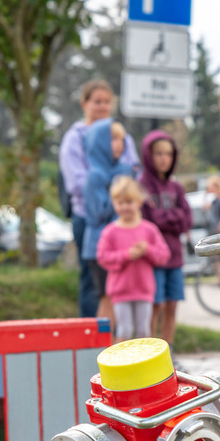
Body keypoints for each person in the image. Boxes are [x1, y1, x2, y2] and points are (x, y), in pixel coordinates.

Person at [59, 80, 138, 318]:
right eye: (97, 101)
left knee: (120, 284)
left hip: (122, 219)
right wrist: (111, 191)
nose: (102, 106)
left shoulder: (120, 133)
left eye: (106, 102)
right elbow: (77, 182)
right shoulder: (75, 137)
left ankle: (118, 335)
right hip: (88, 217)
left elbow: (132, 170)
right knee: (94, 283)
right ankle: (91, 332)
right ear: (85, 103)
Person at [96, 177, 171, 342]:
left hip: (144, 290)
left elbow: (164, 255)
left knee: (144, 330)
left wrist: (147, 250)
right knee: (124, 329)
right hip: (120, 291)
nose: (124, 207)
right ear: (114, 203)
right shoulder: (110, 232)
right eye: (120, 203)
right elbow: (102, 257)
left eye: (129, 202)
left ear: (138, 202)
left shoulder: (149, 230)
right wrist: (126, 255)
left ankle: (144, 359)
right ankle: (122, 359)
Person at [138, 130, 193, 347]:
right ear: (148, 155)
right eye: (159, 153)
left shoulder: (176, 187)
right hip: (153, 259)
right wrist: (173, 216)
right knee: (155, 306)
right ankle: (150, 353)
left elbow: (186, 220)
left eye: (168, 154)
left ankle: (167, 353)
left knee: (172, 305)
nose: (164, 159)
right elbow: (147, 221)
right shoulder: (141, 186)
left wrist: (164, 217)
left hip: (175, 257)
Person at [82, 118, 137, 322]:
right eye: (112, 139)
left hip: (120, 246)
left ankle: (115, 339)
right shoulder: (95, 175)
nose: (119, 144)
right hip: (100, 247)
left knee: (119, 299)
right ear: (99, 142)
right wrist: (120, 196)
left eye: (121, 139)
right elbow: (98, 213)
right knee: (107, 299)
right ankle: (103, 341)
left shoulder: (124, 170)